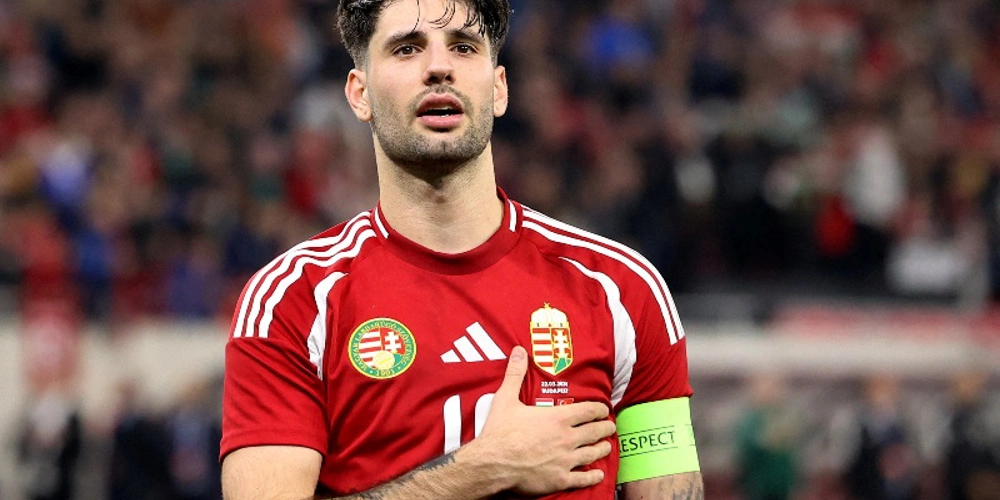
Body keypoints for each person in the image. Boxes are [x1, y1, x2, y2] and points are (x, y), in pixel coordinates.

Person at [220, 0, 703, 498]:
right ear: (360, 94)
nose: (439, 67)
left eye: (464, 47)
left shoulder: (622, 289)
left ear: (498, 89)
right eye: (406, 49)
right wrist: (482, 468)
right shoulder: (291, 302)